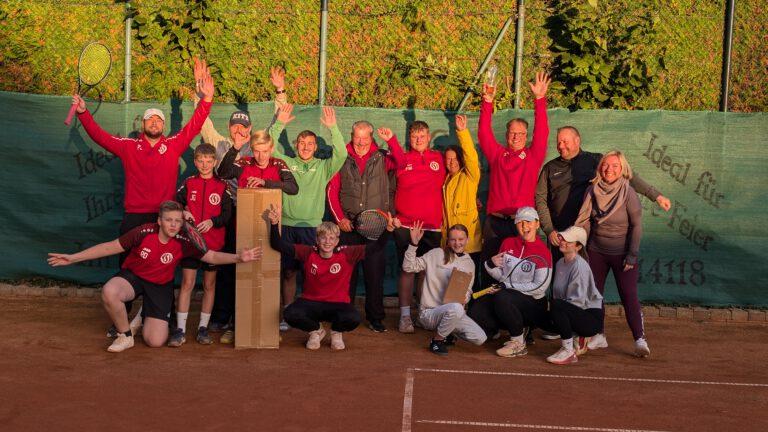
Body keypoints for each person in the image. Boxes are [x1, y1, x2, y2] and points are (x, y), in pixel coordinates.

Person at [72, 58, 215, 337]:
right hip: (134, 217)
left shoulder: (173, 146)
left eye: (159, 119)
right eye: (150, 118)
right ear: (143, 124)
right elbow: (100, 137)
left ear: (162, 126)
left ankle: (163, 316)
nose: (154, 122)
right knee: (127, 267)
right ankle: (121, 321)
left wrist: (206, 101)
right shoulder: (128, 147)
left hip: (164, 219)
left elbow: (193, 126)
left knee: (165, 267)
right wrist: (83, 113)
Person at [47, 201, 261, 353]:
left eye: (177, 221)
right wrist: (73, 258)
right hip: (134, 277)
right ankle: (125, 336)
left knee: (155, 341)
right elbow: (108, 247)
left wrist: (239, 258)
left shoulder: (184, 241)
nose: (173, 225)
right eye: (168, 220)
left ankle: (144, 313)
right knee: (110, 292)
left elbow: (211, 255)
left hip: (160, 286)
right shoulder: (142, 232)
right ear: (159, 221)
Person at [191, 64, 287, 343]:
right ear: (230, 128)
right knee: (225, 264)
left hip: (253, 210)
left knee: (252, 262)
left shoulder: (257, 146)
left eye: (243, 126)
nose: (239, 130)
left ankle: (248, 316)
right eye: (235, 126)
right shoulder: (219, 143)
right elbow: (202, 122)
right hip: (225, 211)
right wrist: (200, 91)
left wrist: (280, 91)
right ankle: (221, 316)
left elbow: (276, 123)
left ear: (250, 129)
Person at [267, 205, 394, 350]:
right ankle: (316, 331)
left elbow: (376, 247)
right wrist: (274, 223)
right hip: (311, 302)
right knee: (290, 314)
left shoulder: (347, 254)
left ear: (337, 241)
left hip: (337, 304)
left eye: (331, 238)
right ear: (317, 240)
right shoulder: (308, 252)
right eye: (323, 238)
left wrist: (389, 230)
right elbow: (277, 244)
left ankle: (336, 332)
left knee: (353, 318)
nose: (327, 242)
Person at [535, 125, 671, 257]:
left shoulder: (595, 160)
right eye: (558, 142)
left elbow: (628, 175)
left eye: (565, 142)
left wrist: (656, 196)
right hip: (559, 235)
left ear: (577, 140)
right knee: (560, 276)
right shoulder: (550, 167)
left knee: (588, 277)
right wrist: (549, 230)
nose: (561, 146)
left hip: (587, 234)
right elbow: (540, 198)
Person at [269, 105, 348, 331]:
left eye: (310, 144)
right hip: (288, 227)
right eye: (302, 143)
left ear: (315, 147)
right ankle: (288, 314)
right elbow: (269, 147)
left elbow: (341, 153)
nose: (305, 147)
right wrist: (279, 123)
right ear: (296, 145)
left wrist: (333, 127)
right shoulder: (286, 162)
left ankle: (314, 315)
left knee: (315, 274)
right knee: (288, 272)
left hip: (312, 229)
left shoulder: (323, 166)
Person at [575, 151, 650, 358]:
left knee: (628, 295)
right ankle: (599, 334)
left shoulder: (628, 192)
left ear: (623, 169)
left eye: (615, 166)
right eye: (606, 165)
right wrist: (580, 249)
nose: (609, 169)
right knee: (595, 294)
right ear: (600, 168)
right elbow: (583, 222)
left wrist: (631, 255)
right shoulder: (591, 191)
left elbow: (636, 226)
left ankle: (640, 339)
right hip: (596, 252)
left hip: (623, 255)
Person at [478, 72, 551, 282]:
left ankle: (517, 307)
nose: (516, 137)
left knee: (520, 271)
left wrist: (539, 100)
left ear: (526, 136)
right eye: (512, 133)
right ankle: (488, 308)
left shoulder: (533, 155)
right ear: (506, 135)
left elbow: (543, 132)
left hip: (522, 223)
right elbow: (483, 134)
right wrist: (487, 101)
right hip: (495, 223)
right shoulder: (497, 155)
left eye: (520, 133)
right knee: (491, 267)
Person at [326, 120, 396, 332]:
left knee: (374, 276)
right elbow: (332, 190)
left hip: (377, 228)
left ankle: (375, 318)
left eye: (365, 138)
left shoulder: (383, 157)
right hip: (349, 228)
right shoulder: (340, 156)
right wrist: (340, 219)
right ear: (351, 135)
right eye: (357, 137)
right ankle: (344, 315)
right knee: (347, 276)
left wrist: (391, 141)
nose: (361, 142)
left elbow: (402, 164)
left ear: (372, 137)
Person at [377, 123, 445, 333]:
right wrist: (391, 139)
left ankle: (423, 313)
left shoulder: (439, 158)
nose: (418, 139)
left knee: (426, 271)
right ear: (409, 138)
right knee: (407, 270)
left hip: (432, 227)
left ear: (428, 136)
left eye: (422, 135)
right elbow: (395, 157)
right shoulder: (402, 158)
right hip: (405, 225)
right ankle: (405, 317)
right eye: (414, 136)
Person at [169, 144, 233, 347]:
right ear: (195, 162)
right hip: (190, 244)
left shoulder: (223, 186)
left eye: (208, 161)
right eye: (200, 161)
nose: (204, 165)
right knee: (187, 284)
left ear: (214, 162)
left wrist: (213, 221)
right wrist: (183, 213)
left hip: (213, 245)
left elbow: (227, 215)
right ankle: (180, 329)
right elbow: (174, 203)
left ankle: (202, 328)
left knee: (209, 285)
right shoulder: (189, 183)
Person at [467, 207, 553, 358]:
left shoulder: (543, 251)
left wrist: (508, 287)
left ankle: (518, 342)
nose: (525, 226)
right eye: (520, 222)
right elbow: (502, 276)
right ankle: (496, 330)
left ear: (537, 224)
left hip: (533, 304)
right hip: (507, 298)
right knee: (476, 309)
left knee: (503, 296)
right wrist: (490, 264)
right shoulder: (508, 243)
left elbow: (539, 287)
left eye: (529, 222)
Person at [402, 221, 487, 356]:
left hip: (453, 312)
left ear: (467, 240)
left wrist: (465, 297)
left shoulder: (469, 263)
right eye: (453, 239)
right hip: (429, 313)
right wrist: (413, 245)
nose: (457, 243)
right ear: (447, 240)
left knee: (480, 338)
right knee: (456, 308)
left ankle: (447, 332)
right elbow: (408, 267)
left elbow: (468, 290)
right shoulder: (436, 254)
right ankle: (437, 341)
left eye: (461, 239)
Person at [545, 226, 604, 365]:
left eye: (569, 241)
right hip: (573, 311)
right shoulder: (560, 263)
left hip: (590, 318)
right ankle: (576, 337)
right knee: (542, 313)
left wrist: (556, 311)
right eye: (563, 238)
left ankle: (568, 350)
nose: (563, 242)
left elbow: (577, 302)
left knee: (557, 305)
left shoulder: (579, 266)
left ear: (578, 247)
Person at [442, 114, 482, 289]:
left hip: (468, 245)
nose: (452, 162)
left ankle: (471, 315)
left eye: (455, 158)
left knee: (466, 287)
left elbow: (471, 157)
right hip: (450, 243)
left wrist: (463, 132)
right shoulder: (445, 181)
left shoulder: (469, 176)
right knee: (451, 287)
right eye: (448, 158)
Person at [217, 129, 299, 194]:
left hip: (270, 213)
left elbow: (293, 188)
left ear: (271, 149)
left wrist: (264, 182)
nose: (261, 156)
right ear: (252, 150)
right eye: (257, 151)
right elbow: (222, 174)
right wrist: (235, 148)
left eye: (265, 151)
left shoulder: (278, 164)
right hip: (246, 212)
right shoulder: (244, 163)